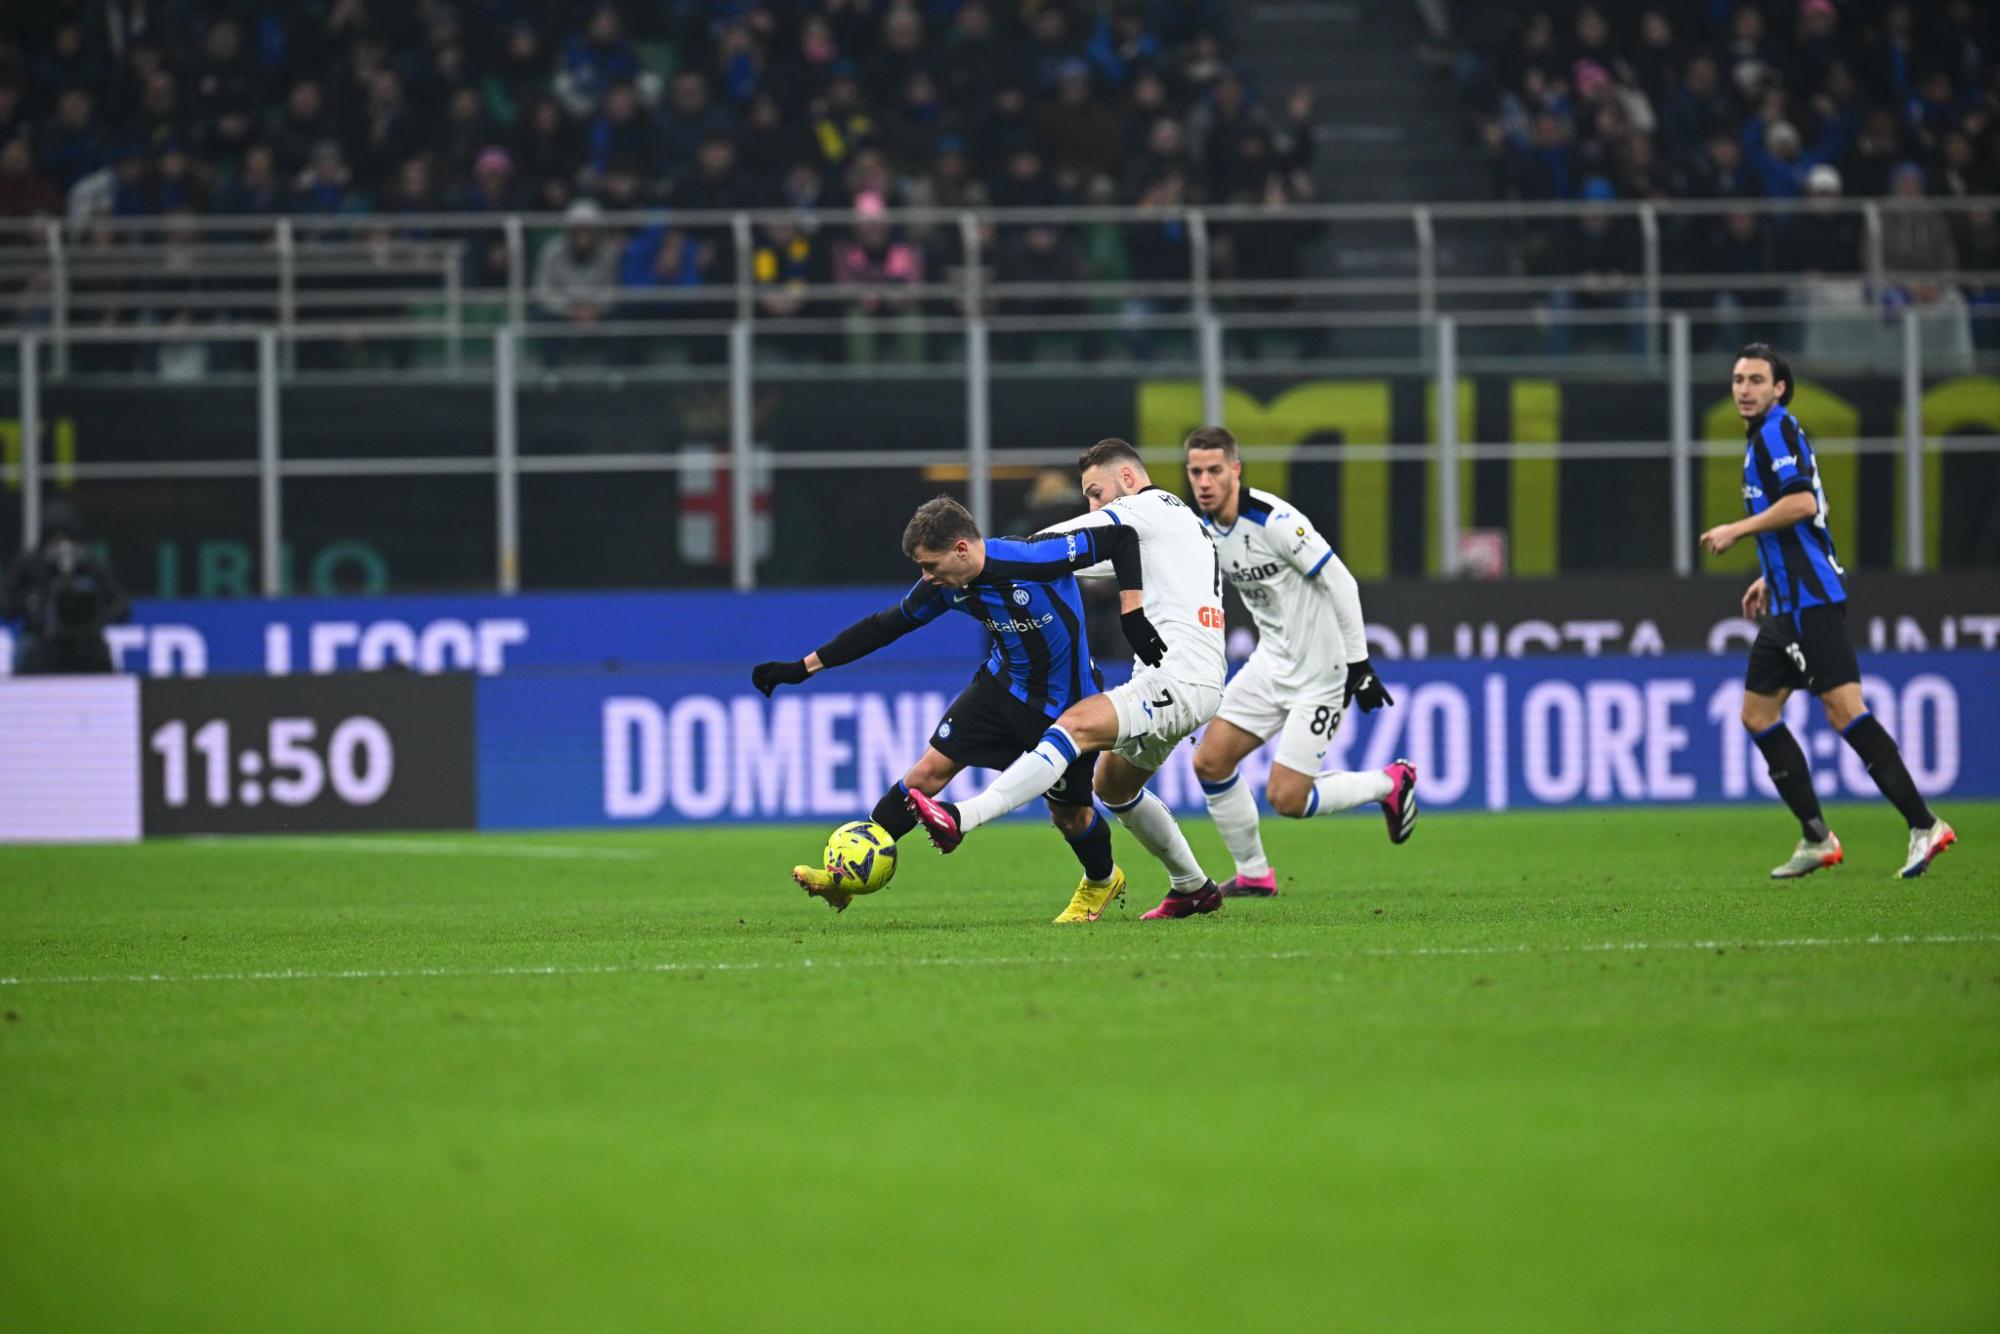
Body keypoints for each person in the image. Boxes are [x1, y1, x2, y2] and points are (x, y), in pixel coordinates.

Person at [750, 495, 1156, 920]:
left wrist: (1132, 615)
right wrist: (803, 667)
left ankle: (1102, 879)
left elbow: (1121, 538)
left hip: (1068, 708)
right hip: (1001, 689)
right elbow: (883, 628)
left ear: (961, 549)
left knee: (1070, 816)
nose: (927, 577)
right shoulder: (944, 588)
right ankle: (845, 878)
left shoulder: (1035, 556)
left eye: (931, 565)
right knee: (926, 773)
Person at [905, 440, 1230, 921]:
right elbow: (1067, 562)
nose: (1094, 506)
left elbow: (1047, 544)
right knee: (1114, 787)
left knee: (1073, 725)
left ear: (1126, 479)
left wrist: (973, 558)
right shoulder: (1172, 519)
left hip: (1180, 679)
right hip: (1184, 676)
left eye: (1096, 493)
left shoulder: (1141, 509)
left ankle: (963, 816)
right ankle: (1193, 887)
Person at [1698, 344, 1956, 880]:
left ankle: (1924, 824)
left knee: (1844, 711)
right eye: (1737, 380)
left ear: (1779, 389)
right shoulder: (1765, 439)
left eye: (1755, 380)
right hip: (1788, 603)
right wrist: (1769, 575)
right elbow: (1813, 506)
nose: (1744, 389)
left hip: (1812, 603)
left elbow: (1804, 505)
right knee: (1757, 714)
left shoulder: (1776, 432)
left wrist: (1736, 530)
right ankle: (1816, 837)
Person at [1181, 427, 1418, 897]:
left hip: (1322, 674)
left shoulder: (1274, 520)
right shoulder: (1202, 531)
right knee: (1210, 761)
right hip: (1271, 664)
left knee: (1287, 798)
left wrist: (1359, 665)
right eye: (1195, 472)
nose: (1204, 481)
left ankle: (1391, 782)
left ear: (1235, 470)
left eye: (1213, 470)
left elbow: (1342, 583)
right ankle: (1253, 874)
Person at [4, 500, 129, 674]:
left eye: (68, 538)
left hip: (86, 641)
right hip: (41, 638)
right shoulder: (31, 564)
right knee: (27, 648)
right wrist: (28, 602)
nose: (62, 547)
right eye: (54, 539)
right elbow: (6, 606)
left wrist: (98, 612)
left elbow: (122, 606)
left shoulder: (90, 564)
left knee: (102, 652)